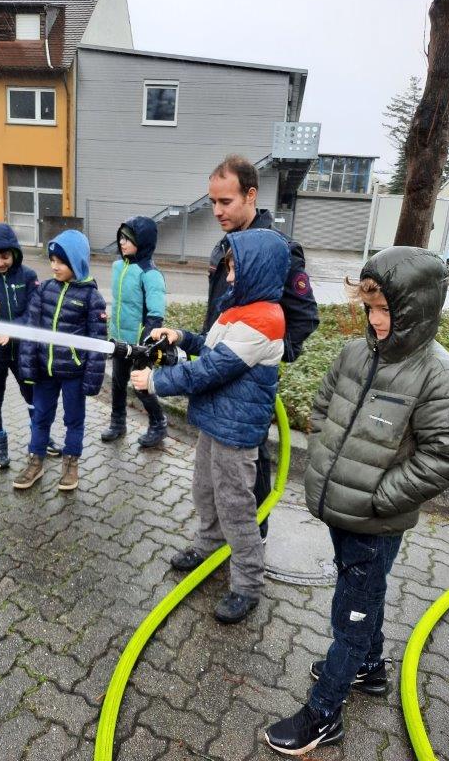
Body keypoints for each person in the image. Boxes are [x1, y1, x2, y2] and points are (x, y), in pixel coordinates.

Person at [265, 246, 449, 755]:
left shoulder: (436, 374)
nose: (375, 320)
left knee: (351, 615)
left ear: (417, 309)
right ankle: (369, 667)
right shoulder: (356, 352)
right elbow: (323, 404)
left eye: (386, 309)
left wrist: (379, 497)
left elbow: (442, 454)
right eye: (369, 308)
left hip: (376, 520)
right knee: (365, 594)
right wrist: (326, 453)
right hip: (339, 509)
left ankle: (325, 714)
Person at [131, 228, 290, 623]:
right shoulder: (237, 311)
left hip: (236, 432)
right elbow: (209, 347)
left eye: (235, 269)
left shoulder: (266, 320)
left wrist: (155, 381)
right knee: (204, 490)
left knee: (236, 507)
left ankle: (247, 584)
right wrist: (180, 336)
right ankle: (207, 546)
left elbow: (211, 369)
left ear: (257, 270)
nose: (230, 276)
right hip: (215, 422)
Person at [205, 155, 319, 542]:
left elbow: (304, 318)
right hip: (218, 370)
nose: (217, 211)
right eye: (213, 202)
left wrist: (261, 356)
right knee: (218, 462)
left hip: (247, 379)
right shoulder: (226, 245)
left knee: (250, 458)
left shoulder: (279, 249)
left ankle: (254, 538)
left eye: (226, 202)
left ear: (251, 195)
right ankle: (216, 538)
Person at [13, 230, 107, 491]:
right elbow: (31, 331)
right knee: (40, 416)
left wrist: (92, 380)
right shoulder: (44, 289)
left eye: (61, 262)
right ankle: (36, 461)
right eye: (52, 260)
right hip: (45, 372)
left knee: (73, 420)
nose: (54, 266)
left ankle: (70, 464)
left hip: (74, 374)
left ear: (77, 262)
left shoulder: (92, 298)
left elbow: (97, 344)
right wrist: (28, 368)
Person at [0, 222, 60, 469]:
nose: (0, 263)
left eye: (5, 257)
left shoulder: (28, 276)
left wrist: (12, 332)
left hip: (23, 350)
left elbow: (34, 313)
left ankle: (41, 436)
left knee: (34, 394)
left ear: (15, 252)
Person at [101, 217, 168, 447]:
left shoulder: (150, 274)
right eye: (121, 237)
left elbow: (155, 315)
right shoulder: (118, 267)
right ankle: (118, 423)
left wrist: (145, 344)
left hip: (140, 344)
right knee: (118, 383)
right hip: (120, 340)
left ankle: (158, 424)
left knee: (141, 386)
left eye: (128, 239)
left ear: (143, 242)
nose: (122, 242)